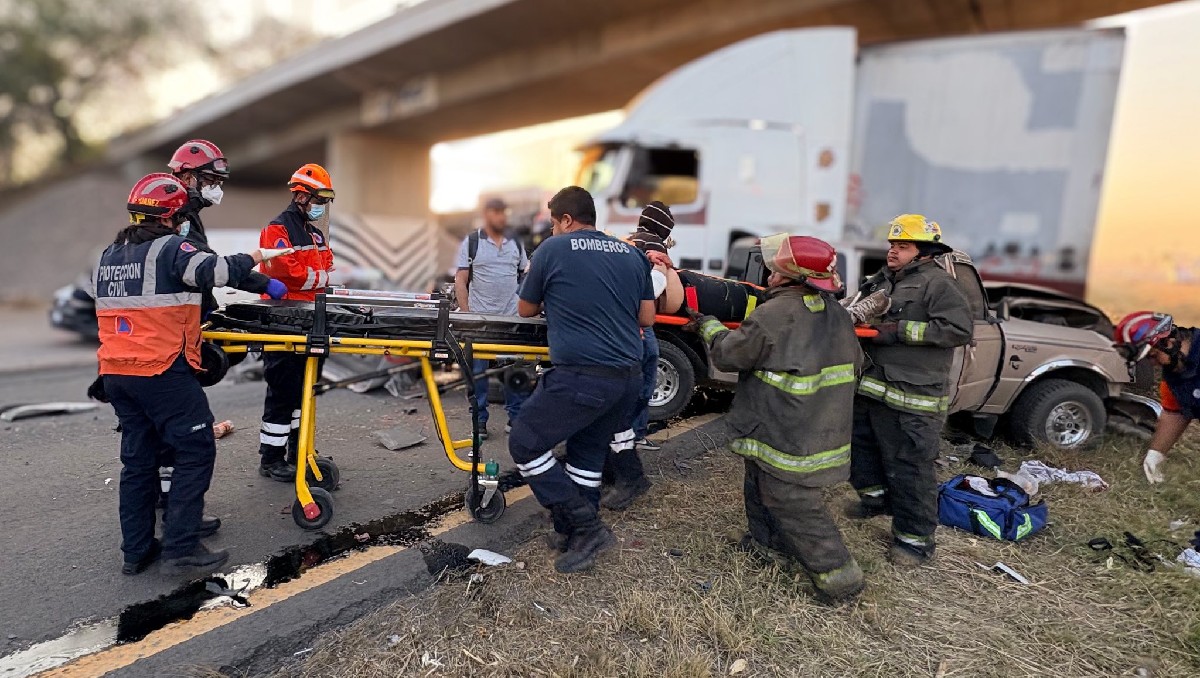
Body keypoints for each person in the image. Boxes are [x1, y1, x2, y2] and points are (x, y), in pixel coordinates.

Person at [95, 173, 290, 575]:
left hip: (116, 373)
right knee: (196, 449)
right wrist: (255, 259)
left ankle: (136, 552)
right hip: (161, 371)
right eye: (182, 214)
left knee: (138, 462)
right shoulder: (171, 247)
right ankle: (181, 548)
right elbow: (213, 272)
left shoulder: (111, 253)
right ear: (171, 216)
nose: (186, 220)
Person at [686, 234, 866, 602]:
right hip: (813, 424)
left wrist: (707, 326)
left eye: (775, 266)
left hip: (787, 431)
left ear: (788, 275)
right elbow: (856, 363)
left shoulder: (773, 315)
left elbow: (730, 356)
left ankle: (841, 580)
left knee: (792, 502)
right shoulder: (834, 313)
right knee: (758, 482)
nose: (769, 271)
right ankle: (766, 546)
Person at [508, 186, 656, 573]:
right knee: (586, 456)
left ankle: (588, 526)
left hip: (583, 375)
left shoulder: (552, 250)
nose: (553, 230)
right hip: (627, 376)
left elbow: (525, 309)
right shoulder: (632, 254)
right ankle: (571, 531)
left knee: (525, 441)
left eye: (555, 223)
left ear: (567, 220)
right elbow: (646, 319)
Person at [159, 140, 280, 511]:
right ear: (188, 176)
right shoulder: (177, 216)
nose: (217, 187)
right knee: (181, 422)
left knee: (170, 418)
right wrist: (263, 281)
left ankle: (166, 494)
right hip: (174, 332)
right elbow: (209, 269)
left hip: (181, 325)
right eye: (211, 179)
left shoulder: (186, 213)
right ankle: (173, 505)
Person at [848, 214, 973, 567]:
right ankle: (876, 502)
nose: (893, 251)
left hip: (914, 398)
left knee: (910, 468)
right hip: (873, 388)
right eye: (891, 244)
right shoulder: (884, 280)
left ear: (924, 252)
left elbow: (958, 330)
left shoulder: (939, 284)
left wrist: (900, 330)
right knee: (862, 451)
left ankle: (915, 541)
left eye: (902, 246)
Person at [256, 163, 336, 481]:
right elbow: (282, 272)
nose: (322, 206)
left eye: (326, 200)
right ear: (301, 196)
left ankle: (298, 450)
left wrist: (316, 278)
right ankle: (271, 459)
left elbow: (327, 264)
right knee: (282, 392)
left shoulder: (314, 233)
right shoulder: (278, 229)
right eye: (319, 199)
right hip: (282, 322)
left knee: (305, 391)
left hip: (309, 321)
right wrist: (319, 279)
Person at [603, 201, 676, 510]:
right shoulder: (652, 246)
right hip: (639, 332)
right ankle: (625, 465)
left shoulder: (626, 242)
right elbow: (651, 292)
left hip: (629, 332)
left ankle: (623, 472)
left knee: (618, 408)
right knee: (632, 399)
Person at [453, 197, 529, 438]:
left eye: (503, 212)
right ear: (486, 215)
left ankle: (515, 419)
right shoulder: (472, 242)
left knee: (514, 371)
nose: (501, 217)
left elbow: (523, 276)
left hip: (510, 319)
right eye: (496, 212)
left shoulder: (516, 242)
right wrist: (467, 315)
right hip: (480, 320)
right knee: (478, 374)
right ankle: (480, 420)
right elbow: (461, 280)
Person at [1113, 311, 1197, 484]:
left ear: (1170, 342)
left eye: (1152, 355)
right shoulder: (1174, 377)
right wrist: (1155, 455)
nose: (1152, 364)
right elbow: (1174, 413)